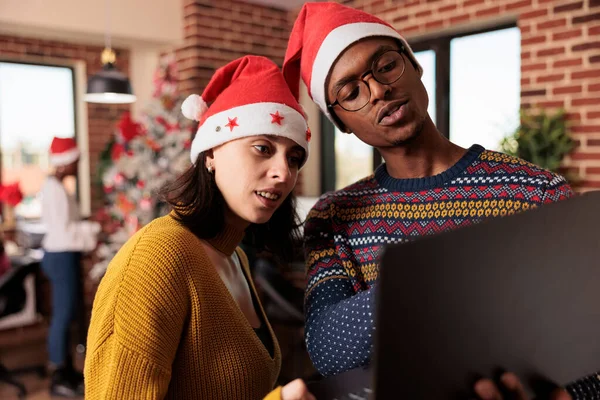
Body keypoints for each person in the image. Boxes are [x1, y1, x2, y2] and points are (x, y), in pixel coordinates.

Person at [282, 2, 588, 394]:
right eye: (352, 91)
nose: (378, 90)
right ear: (340, 122)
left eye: (386, 66)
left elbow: (586, 345)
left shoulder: (535, 192)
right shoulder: (333, 217)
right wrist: (451, 272)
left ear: (413, 64)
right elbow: (329, 351)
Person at [84, 56, 315, 400]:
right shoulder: (157, 257)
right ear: (210, 155)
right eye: (262, 148)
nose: (284, 172)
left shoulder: (235, 258)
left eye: (294, 157)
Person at [41, 136, 101, 397]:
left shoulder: (58, 188)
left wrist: (89, 223)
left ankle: (67, 370)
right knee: (63, 316)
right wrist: (95, 229)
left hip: (66, 255)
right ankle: (58, 374)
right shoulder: (52, 191)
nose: (78, 166)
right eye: (75, 161)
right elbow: (64, 231)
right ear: (64, 163)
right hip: (61, 256)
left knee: (69, 314)